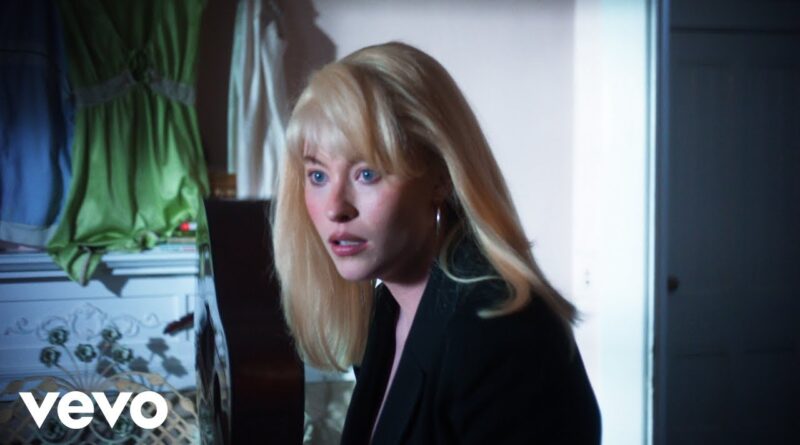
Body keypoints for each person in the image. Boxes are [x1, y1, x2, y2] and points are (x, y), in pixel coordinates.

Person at [272, 42, 601, 444]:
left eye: (367, 174)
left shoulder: (500, 335)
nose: (335, 208)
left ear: (441, 177)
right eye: (318, 176)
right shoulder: (387, 309)